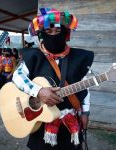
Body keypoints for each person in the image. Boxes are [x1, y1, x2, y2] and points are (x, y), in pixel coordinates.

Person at [12, 8, 94, 150]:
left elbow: (85, 87)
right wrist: (38, 91)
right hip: (41, 121)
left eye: (58, 31)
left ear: (65, 33)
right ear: (42, 34)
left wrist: (85, 112)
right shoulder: (33, 56)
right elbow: (17, 77)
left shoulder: (79, 58)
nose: (53, 35)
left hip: (70, 122)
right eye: (48, 32)